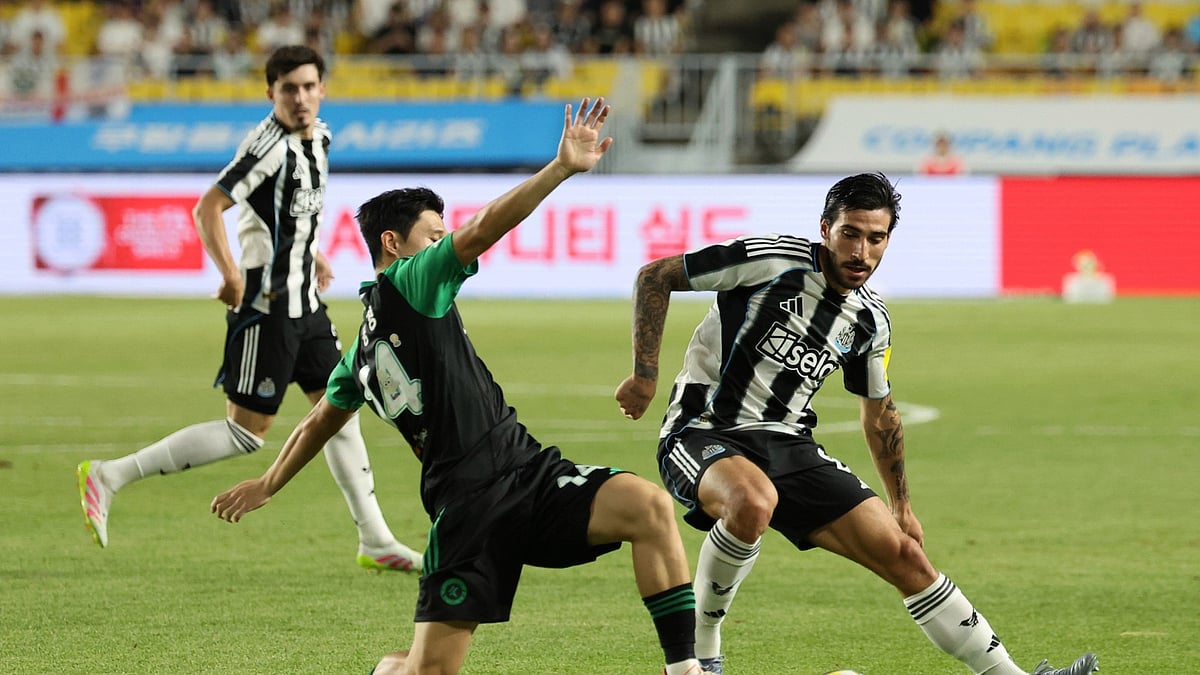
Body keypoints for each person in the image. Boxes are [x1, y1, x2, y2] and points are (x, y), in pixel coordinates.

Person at [211, 98, 710, 675]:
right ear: (394, 245)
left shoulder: (359, 354)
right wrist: (560, 170)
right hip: (469, 506)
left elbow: (320, 417)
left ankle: (687, 670)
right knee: (428, 671)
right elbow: (480, 231)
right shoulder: (410, 281)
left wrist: (270, 482)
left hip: (527, 470)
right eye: (433, 236)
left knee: (647, 507)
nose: (443, 246)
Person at [614, 172, 1101, 675]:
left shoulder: (870, 321)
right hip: (702, 431)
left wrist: (902, 505)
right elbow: (655, 276)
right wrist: (644, 375)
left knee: (905, 555)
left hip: (788, 444)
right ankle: (701, 655)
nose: (860, 252)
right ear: (825, 228)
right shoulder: (771, 261)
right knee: (751, 501)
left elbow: (879, 415)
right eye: (850, 233)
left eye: (876, 238)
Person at [76, 45, 422, 574]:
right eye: (289, 89)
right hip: (269, 307)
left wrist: (314, 253)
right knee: (246, 433)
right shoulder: (268, 148)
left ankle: (375, 539)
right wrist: (230, 274)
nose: (301, 97)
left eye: (309, 86)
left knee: (338, 411)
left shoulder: (321, 136)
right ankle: (110, 475)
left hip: (307, 302)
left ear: (322, 88)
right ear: (271, 94)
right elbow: (207, 207)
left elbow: (288, 214)